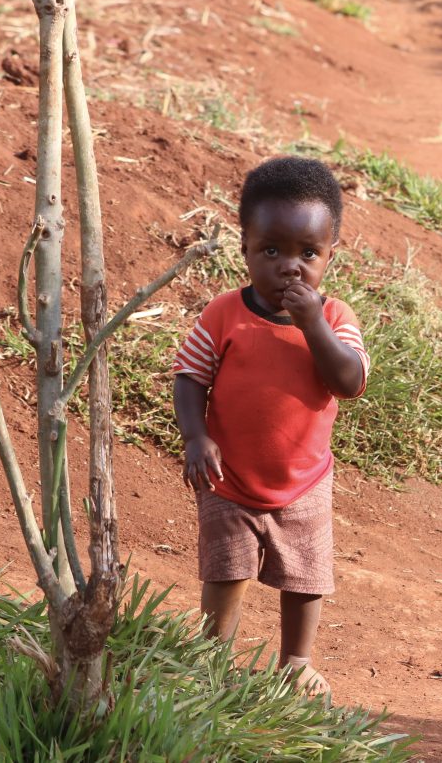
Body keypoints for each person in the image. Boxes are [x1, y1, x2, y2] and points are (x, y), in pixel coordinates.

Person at [172, 155, 370, 698]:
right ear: (246, 249)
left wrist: (312, 324)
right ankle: (212, 658)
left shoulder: (335, 318)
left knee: (306, 575)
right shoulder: (223, 314)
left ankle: (296, 662)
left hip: (303, 480)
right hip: (228, 477)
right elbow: (189, 377)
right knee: (225, 569)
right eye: (272, 251)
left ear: (330, 255)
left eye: (308, 253)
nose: (290, 267)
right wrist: (195, 436)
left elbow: (349, 381)